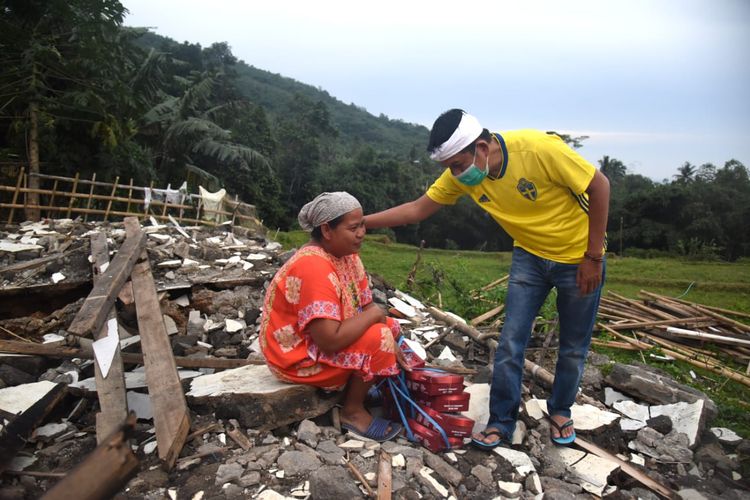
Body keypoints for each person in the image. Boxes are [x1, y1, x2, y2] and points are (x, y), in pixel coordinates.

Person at [365, 109, 610, 448]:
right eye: (449, 168)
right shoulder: (464, 173)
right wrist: (361, 222)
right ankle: (501, 422)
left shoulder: (538, 149)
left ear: (482, 146)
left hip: (578, 257)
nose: (455, 174)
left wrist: (593, 257)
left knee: (572, 347)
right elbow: (416, 209)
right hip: (529, 257)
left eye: (458, 165)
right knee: (510, 343)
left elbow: (600, 186)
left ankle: (561, 411)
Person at [259, 191, 408, 442]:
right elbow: (328, 340)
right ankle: (352, 411)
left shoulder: (347, 256)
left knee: (389, 327)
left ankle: (357, 389)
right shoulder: (313, 266)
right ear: (327, 230)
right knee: (380, 336)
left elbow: (366, 304)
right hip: (297, 355)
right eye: (353, 227)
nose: (362, 233)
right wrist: (376, 318)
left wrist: (378, 317)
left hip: (325, 338)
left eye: (363, 225)